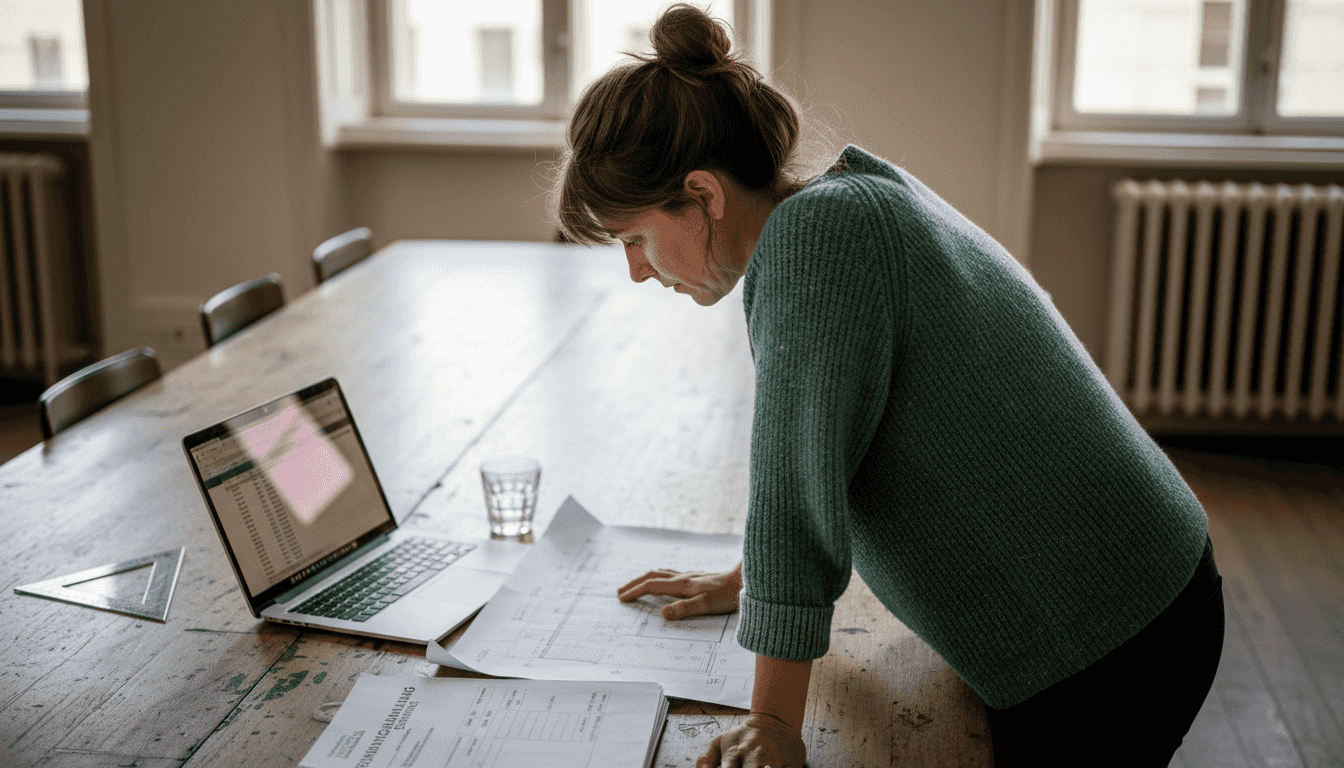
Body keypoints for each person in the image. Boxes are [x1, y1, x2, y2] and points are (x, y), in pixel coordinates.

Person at [552, 5, 1226, 767]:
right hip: (1146, 585)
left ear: (703, 194)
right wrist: (750, 577)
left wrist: (772, 723)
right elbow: (819, 451)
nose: (637, 269)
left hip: (1114, 634)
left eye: (635, 238)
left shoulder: (813, 243)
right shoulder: (839, 203)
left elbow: (793, 496)